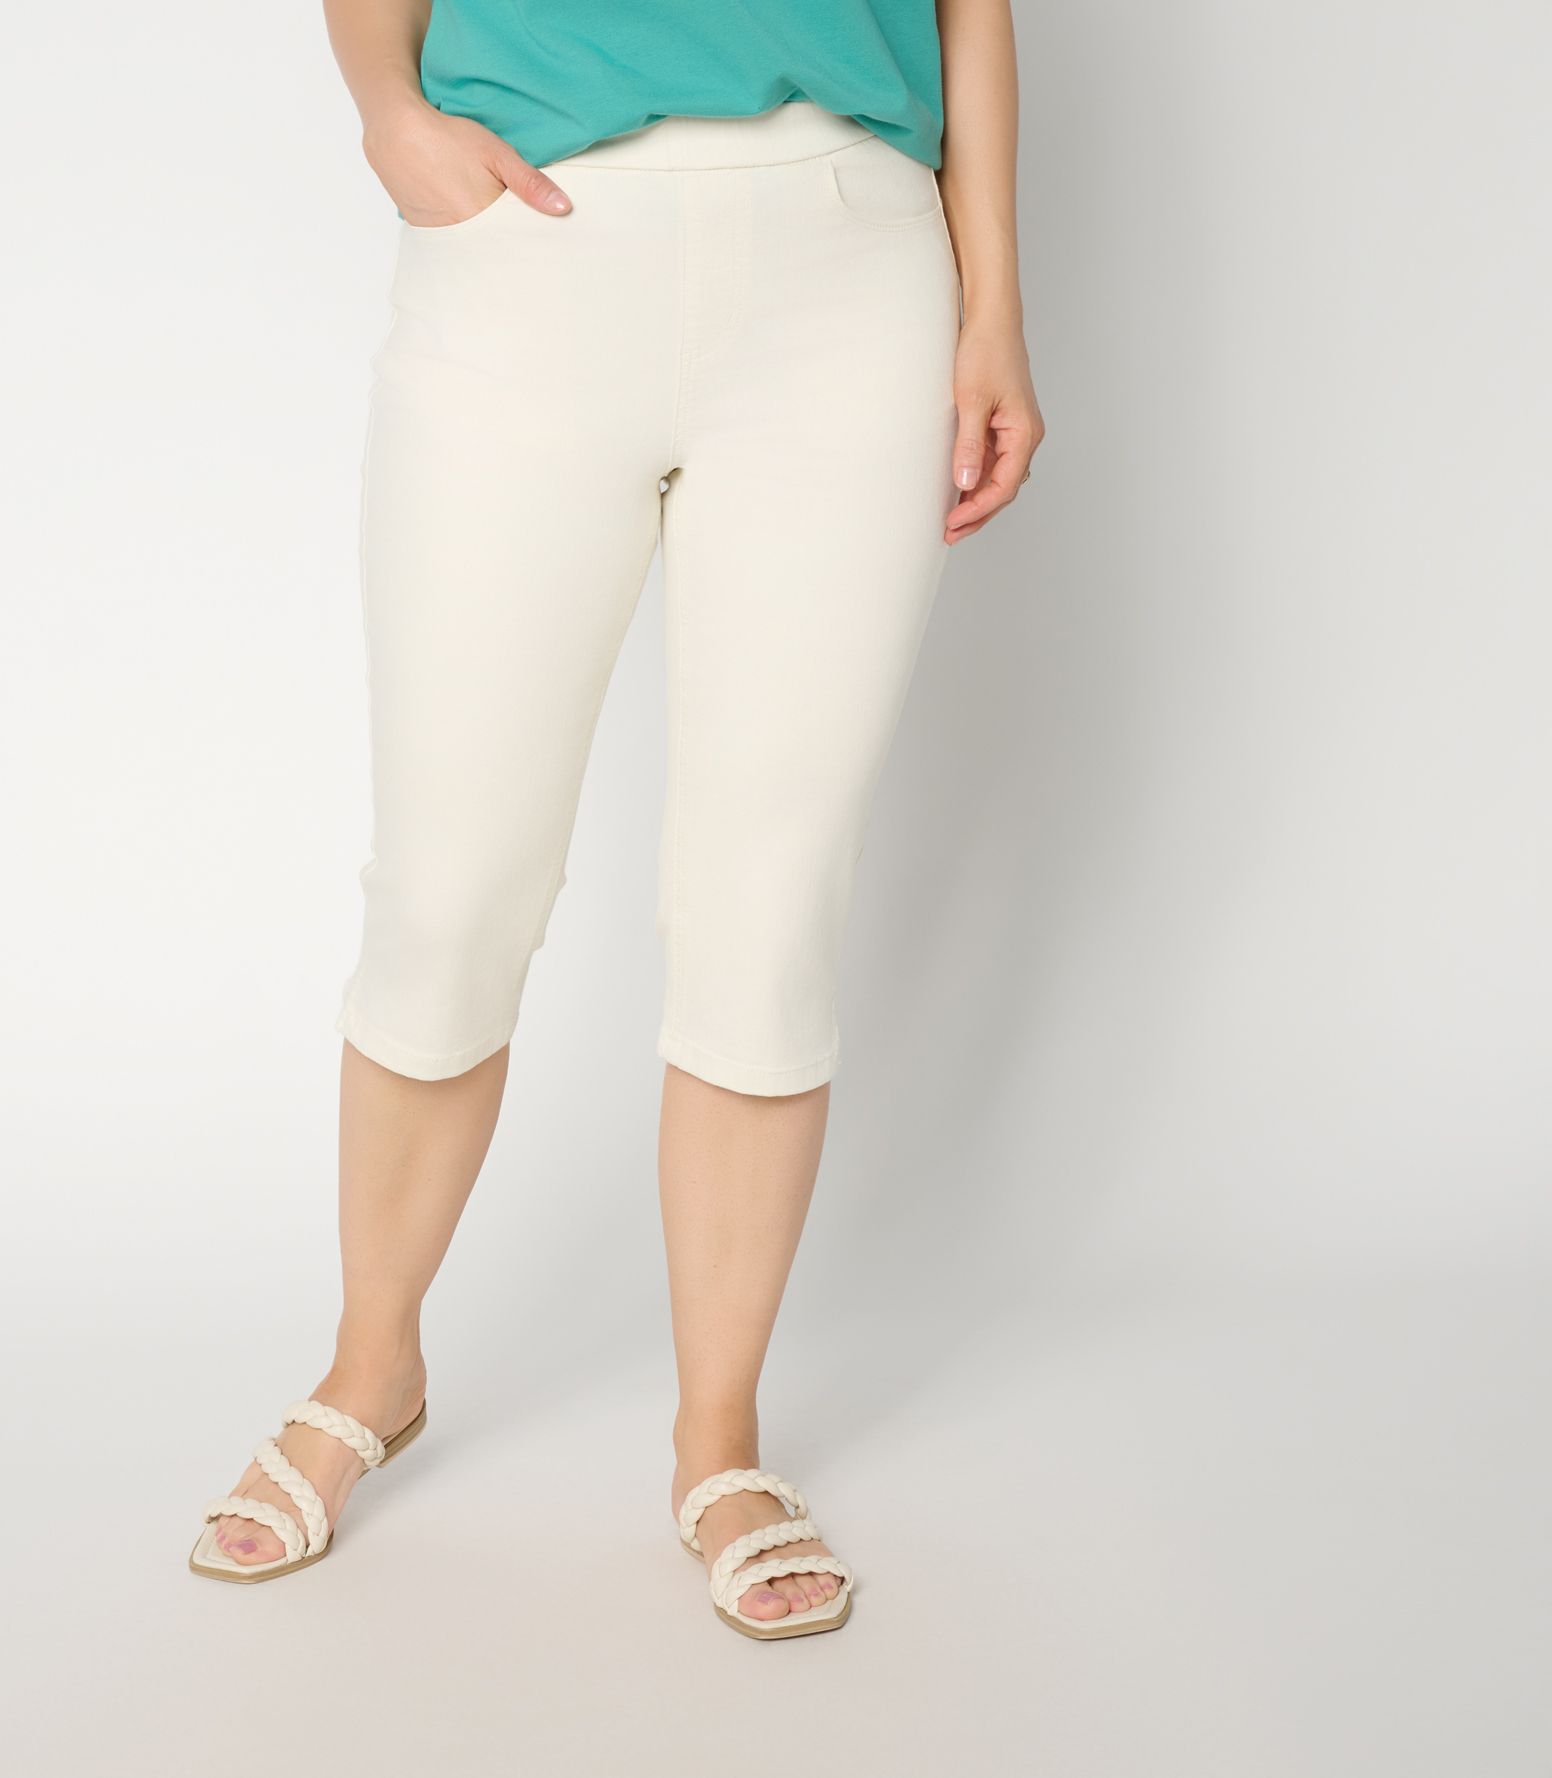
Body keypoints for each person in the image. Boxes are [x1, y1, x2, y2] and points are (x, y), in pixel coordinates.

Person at [190, 0, 1045, 1638]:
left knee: (766, 906)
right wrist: (387, 109)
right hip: (533, 248)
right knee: (449, 885)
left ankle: (718, 1440)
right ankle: (371, 1365)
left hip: (850, 265)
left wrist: (995, 300)